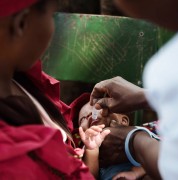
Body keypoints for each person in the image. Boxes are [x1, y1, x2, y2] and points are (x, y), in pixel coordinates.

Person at [0, 0, 108, 179]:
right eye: (51, 16)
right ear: (21, 23)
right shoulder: (13, 163)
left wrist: (83, 114)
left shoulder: (21, 81)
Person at [90, 0, 178, 179]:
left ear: (124, 121)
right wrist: (147, 97)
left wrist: (133, 142)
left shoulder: (170, 71)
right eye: (86, 118)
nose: (94, 119)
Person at [78, 102, 159, 180]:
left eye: (97, 108)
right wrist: (92, 151)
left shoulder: (140, 133)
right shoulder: (87, 149)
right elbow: (88, 177)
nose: (89, 115)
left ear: (123, 121)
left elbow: (163, 155)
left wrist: (137, 172)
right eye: (82, 119)